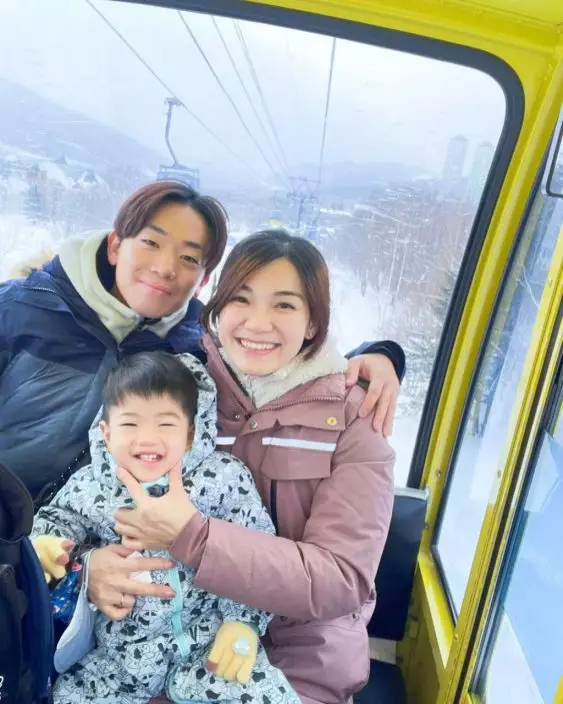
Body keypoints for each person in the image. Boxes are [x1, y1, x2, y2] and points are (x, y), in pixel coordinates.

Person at [0, 180, 403, 611]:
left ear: (203, 280)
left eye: (189, 257)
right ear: (116, 245)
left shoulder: (186, 355)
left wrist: (379, 356)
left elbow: (287, 362)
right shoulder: (20, 313)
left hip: (70, 576)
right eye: (151, 242)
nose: (165, 267)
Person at [109, 231, 396, 704]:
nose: (258, 323)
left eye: (284, 305)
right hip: (169, 644)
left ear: (312, 322)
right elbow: (103, 493)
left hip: (298, 659)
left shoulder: (353, 419)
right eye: (241, 299)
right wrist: (93, 565)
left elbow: (341, 577)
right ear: (217, 309)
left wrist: (195, 537)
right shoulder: (176, 393)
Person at [32, 350, 300, 704]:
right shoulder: (90, 486)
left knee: (270, 695)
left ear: (190, 434)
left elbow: (256, 550)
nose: (147, 439)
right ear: (106, 433)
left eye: (166, 424)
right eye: (130, 424)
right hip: (119, 658)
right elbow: (57, 520)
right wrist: (43, 545)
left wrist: (244, 621)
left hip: (210, 644)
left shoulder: (223, 478)